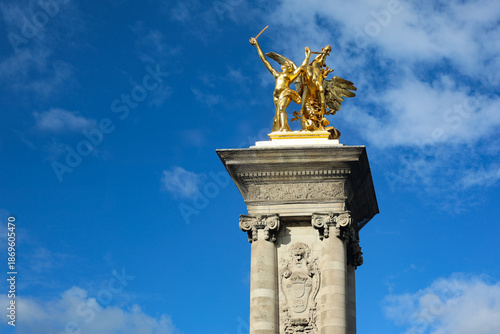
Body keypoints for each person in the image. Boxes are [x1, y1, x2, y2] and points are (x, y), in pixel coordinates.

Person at [250, 37, 311, 132]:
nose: (284, 63)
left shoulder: (291, 75)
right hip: (276, 95)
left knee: (282, 108)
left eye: (287, 63)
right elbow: (264, 60)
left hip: (286, 92)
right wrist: (257, 45)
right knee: (278, 113)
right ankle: (283, 127)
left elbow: (302, 66)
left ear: (290, 67)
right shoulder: (276, 74)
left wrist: (308, 56)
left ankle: (283, 128)